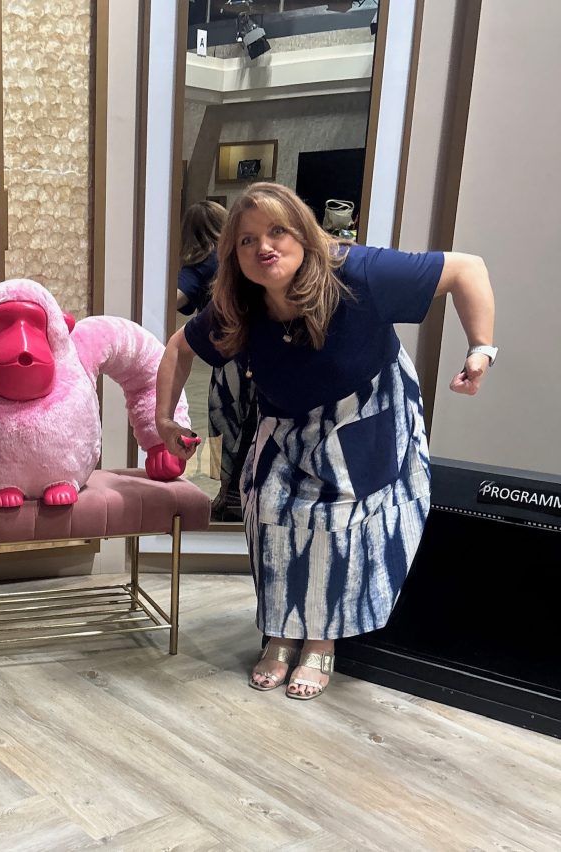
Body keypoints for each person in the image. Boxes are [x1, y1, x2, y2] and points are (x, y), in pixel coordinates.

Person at [155, 182, 495, 700]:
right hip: (285, 418)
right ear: (233, 254)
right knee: (267, 509)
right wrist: (164, 418)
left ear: (304, 233)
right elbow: (180, 348)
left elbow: (467, 269)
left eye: (277, 231)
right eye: (247, 240)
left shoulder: (358, 273)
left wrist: (481, 349)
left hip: (365, 408)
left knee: (338, 523)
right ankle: (281, 631)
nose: (264, 247)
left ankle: (321, 639)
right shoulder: (238, 303)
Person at [175, 199, 257, 522]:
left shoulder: (201, 263)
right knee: (251, 426)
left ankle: (228, 495)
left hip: (230, 362)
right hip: (261, 355)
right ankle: (240, 496)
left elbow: (177, 296)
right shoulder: (241, 257)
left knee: (223, 423)